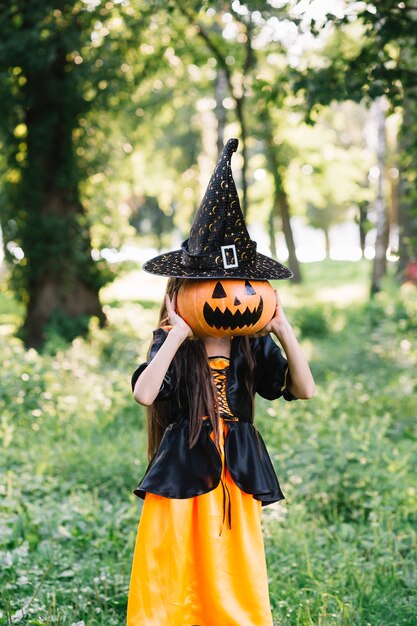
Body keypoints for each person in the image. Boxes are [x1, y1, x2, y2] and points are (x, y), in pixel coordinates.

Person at [126, 138, 314, 625]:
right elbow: (145, 393)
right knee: (174, 561)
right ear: (183, 293)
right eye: (214, 288)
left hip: (236, 470)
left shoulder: (252, 347)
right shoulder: (175, 345)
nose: (232, 299)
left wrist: (282, 327)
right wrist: (176, 334)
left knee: (233, 565)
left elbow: (304, 389)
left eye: (245, 289)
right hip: (184, 466)